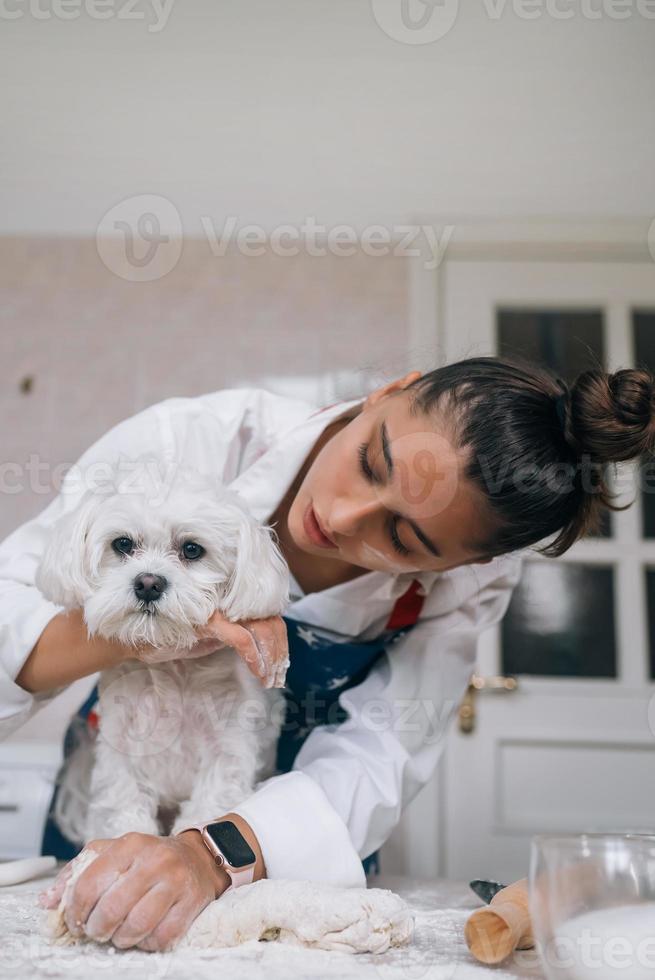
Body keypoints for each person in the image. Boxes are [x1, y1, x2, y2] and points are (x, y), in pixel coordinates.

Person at [1, 354, 646, 951]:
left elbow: (379, 754)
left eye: (400, 535)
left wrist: (211, 853)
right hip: (114, 806)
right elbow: (15, 614)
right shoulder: (189, 440)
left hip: (281, 856)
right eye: (371, 461)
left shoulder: (470, 583)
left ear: (472, 562)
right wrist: (155, 630)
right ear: (389, 390)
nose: (340, 517)